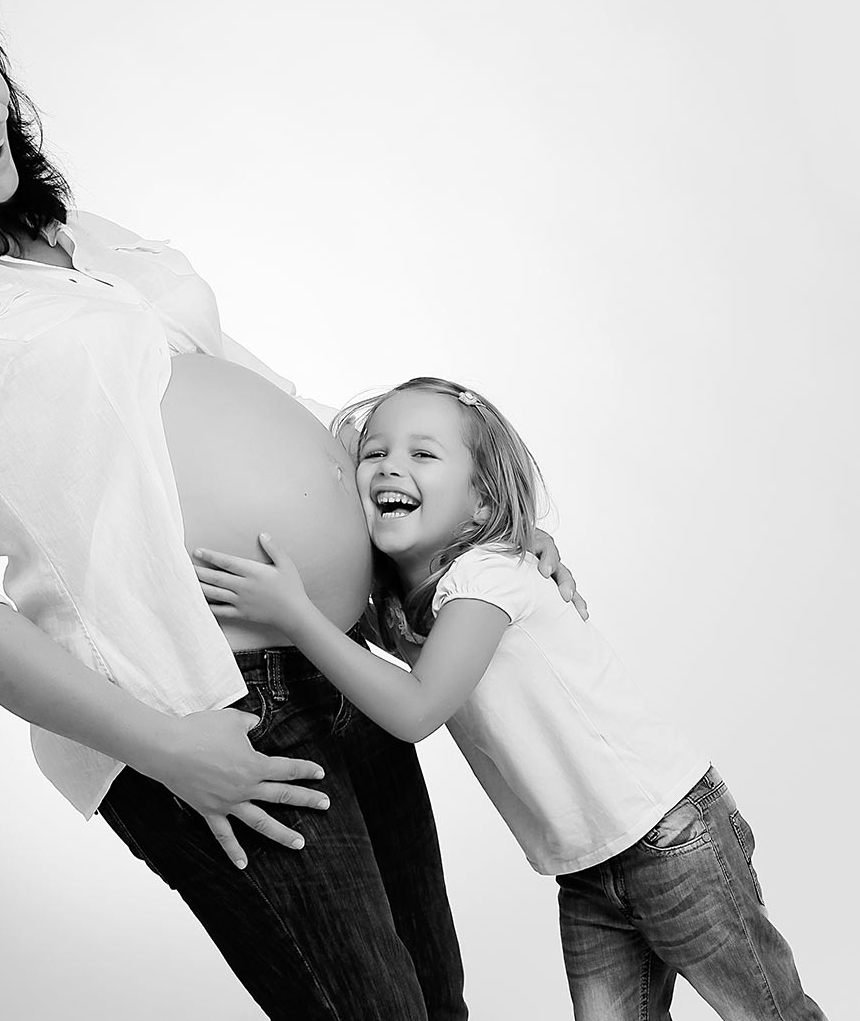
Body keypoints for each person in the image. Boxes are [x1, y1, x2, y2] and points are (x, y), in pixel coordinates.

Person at [0, 0, 586, 1017]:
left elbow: (276, 401)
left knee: (436, 998)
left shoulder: (82, 235)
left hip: (336, 654)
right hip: (203, 706)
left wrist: (477, 531)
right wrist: (165, 748)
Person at [193, 376, 828, 1021]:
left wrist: (296, 615)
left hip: (670, 836)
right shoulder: (400, 601)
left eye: (423, 453)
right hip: (586, 864)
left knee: (769, 1014)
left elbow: (415, 710)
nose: (389, 466)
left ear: (481, 504)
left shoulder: (490, 575)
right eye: (375, 453)